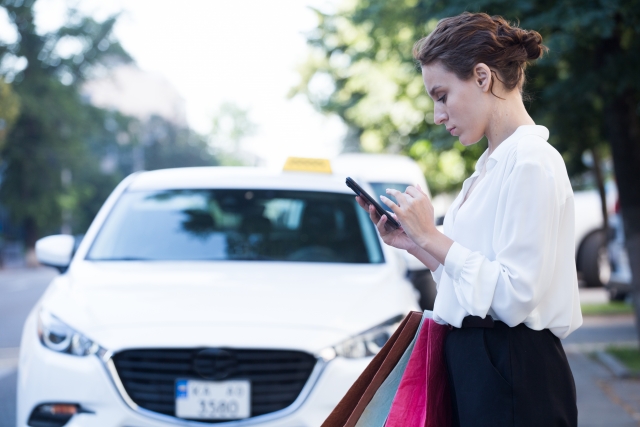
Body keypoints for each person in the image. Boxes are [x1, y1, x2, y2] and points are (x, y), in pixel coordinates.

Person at [356, 12, 582, 427]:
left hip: (513, 365)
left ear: (482, 77)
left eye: (441, 95)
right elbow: (471, 284)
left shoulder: (532, 162)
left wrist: (431, 235)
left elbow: (513, 295)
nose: (438, 115)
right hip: (479, 364)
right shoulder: (489, 167)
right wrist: (418, 244)